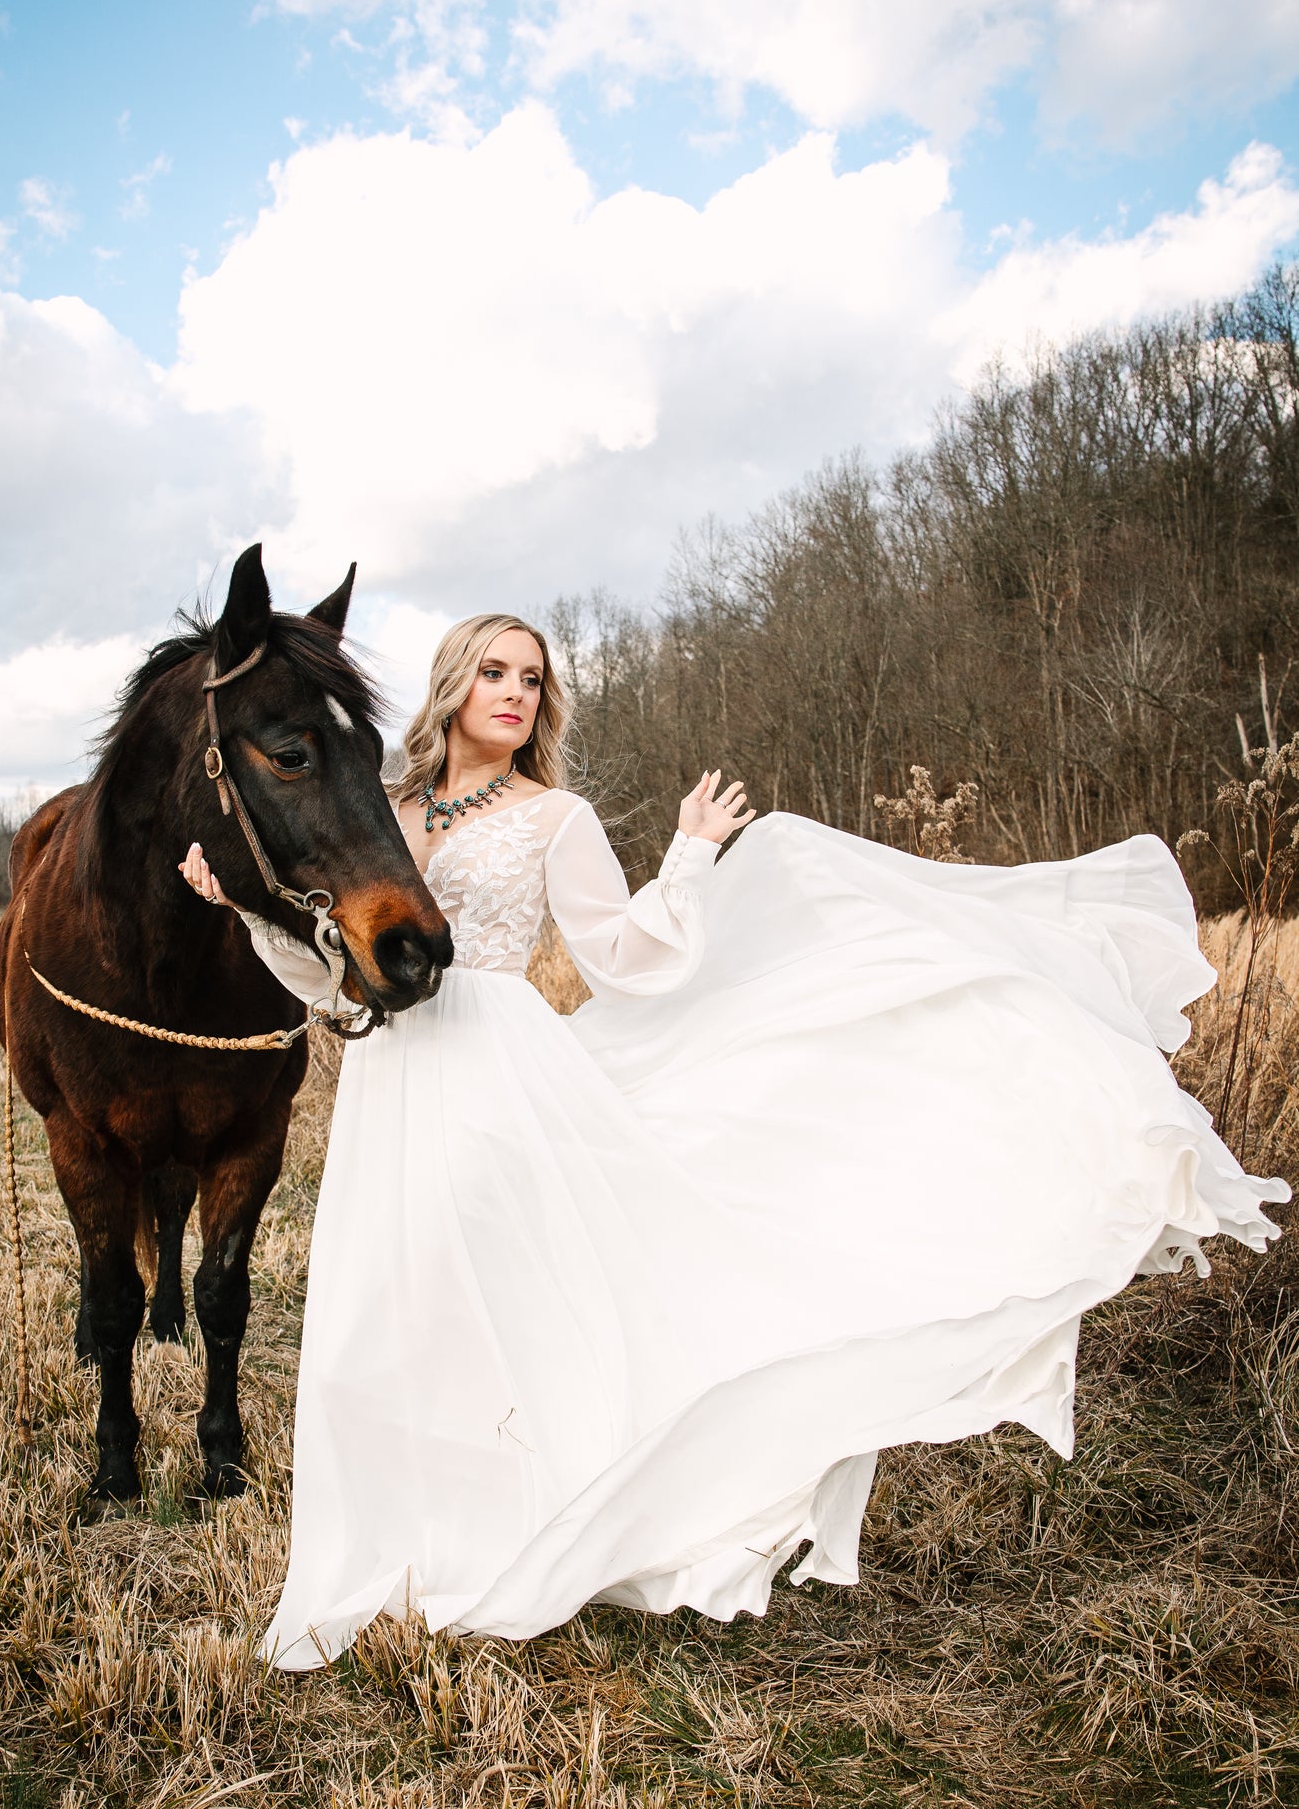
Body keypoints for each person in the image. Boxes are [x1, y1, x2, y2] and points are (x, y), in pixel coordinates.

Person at [179, 613, 1285, 1669]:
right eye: (494, 672)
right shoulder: (377, 805)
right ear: (452, 683)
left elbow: (624, 957)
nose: (514, 693)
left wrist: (690, 856)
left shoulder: (555, 818)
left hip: (494, 1064)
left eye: (531, 678)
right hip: (389, 1074)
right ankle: (405, 1530)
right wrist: (244, 909)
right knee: (389, 1298)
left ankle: (513, 1530)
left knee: (483, 1296)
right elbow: (333, 980)